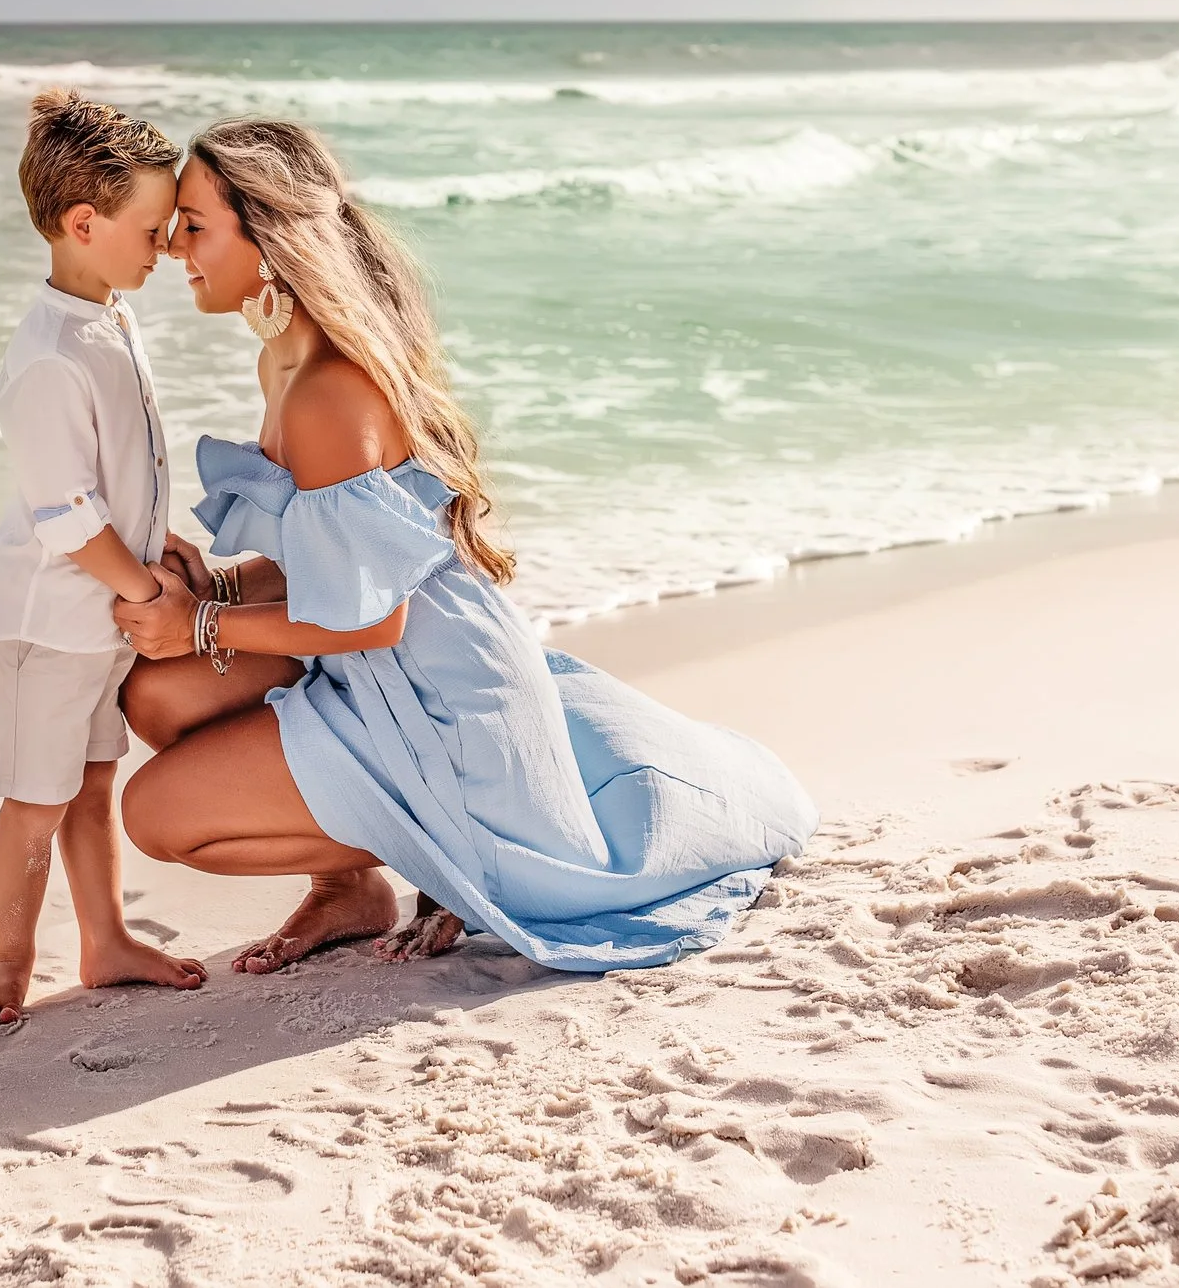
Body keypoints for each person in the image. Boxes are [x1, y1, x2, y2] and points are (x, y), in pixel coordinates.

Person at [113, 117, 818, 975]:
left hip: (438, 698)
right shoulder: (285, 362)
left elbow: (373, 621)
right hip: (389, 664)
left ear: (268, 236)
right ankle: (348, 891)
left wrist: (202, 627)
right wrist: (216, 590)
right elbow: (344, 563)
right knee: (156, 697)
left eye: (195, 224)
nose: (174, 243)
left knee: (155, 817)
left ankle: (444, 857)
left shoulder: (328, 393)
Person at [0, 88, 209, 1026]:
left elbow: (119, 466)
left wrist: (158, 541)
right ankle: (9, 962)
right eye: (152, 229)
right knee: (37, 800)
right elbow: (64, 512)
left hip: (103, 603)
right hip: (48, 620)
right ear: (83, 222)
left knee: (93, 781)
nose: (167, 246)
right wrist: (148, 588)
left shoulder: (108, 311)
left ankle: (103, 942)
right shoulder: (50, 354)